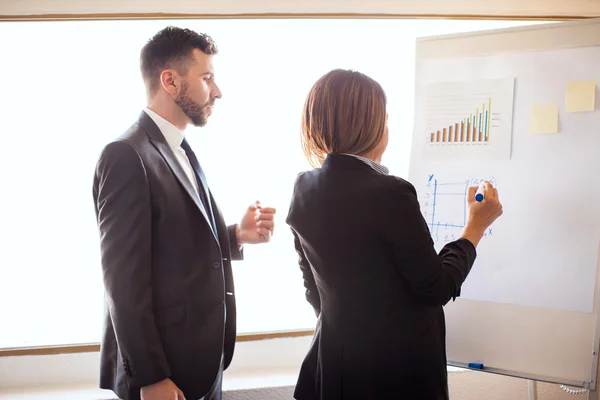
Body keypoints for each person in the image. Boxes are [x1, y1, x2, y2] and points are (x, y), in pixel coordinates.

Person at [286, 69, 503, 400]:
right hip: (395, 376)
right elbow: (436, 288)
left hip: (331, 369)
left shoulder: (304, 187)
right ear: (371, 126)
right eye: (385, 119)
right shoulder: (390, 193)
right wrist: (475, 227)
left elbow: (314, 292)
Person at [92, 26, 276, 400]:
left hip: (200, 364)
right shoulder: (126, 155)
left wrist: (235, 235)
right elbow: (123, 281)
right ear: (170, 81)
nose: (218, 90)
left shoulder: (179, 146)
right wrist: (151, 377)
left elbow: (169, 245)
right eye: (207, 77)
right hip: (164, 375)